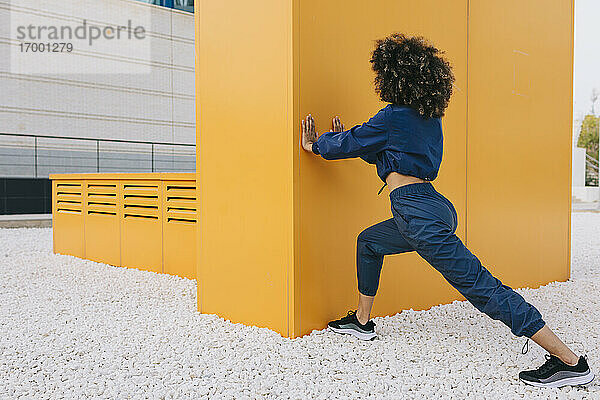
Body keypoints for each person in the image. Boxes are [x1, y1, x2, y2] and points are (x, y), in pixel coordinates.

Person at [300, 33, 594, 388]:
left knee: (484, 289)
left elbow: (353, 142)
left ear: (393, 77)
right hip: (429, 208)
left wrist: (318, 144)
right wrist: (348, 142)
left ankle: (570, 362)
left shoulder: (393, 116)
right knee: (369, 242)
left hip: (418, 216)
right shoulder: (427, 120)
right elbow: (386, 155)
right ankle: (362, 322)